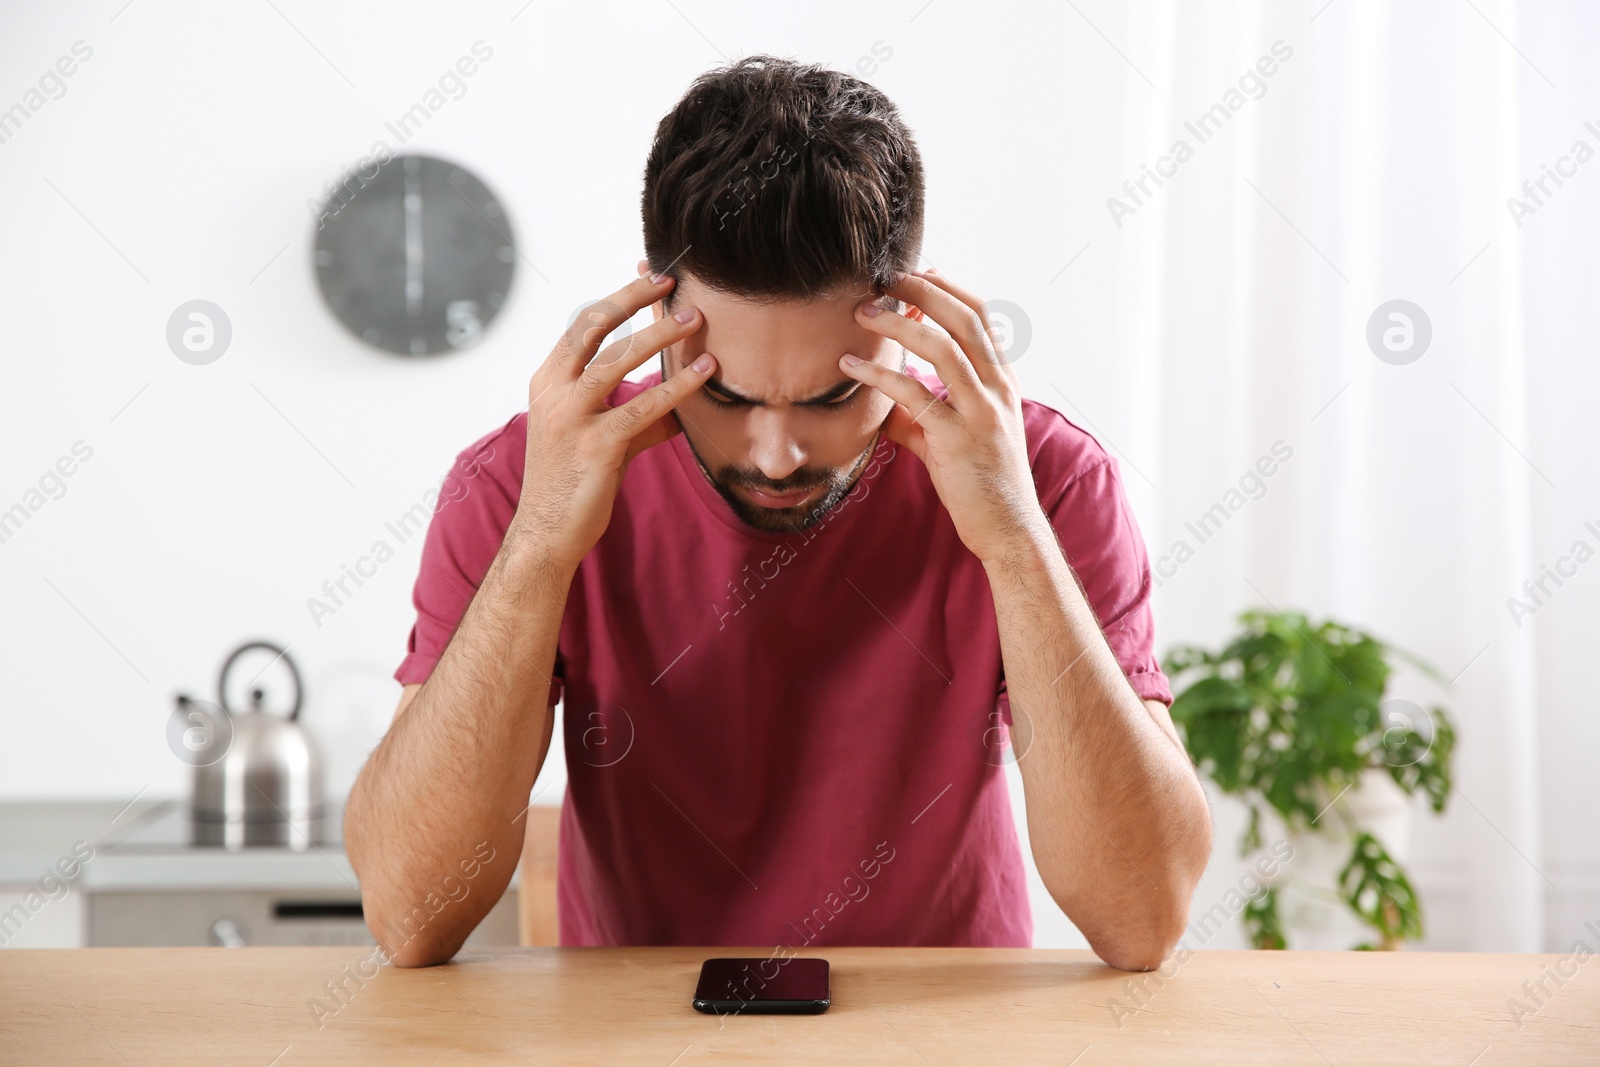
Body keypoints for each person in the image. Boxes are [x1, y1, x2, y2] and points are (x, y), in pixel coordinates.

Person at [343, 54, 1211, 973]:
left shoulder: (1044, 479)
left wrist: (1013, 537)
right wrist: (538, 551)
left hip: (943, 1029)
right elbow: (409, 914)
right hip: (638, 1034)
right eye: (724, 393)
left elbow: (1142, 917)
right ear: (656, 308)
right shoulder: (521, 483)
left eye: (834, 399)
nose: (775, 454)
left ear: (912, 320)